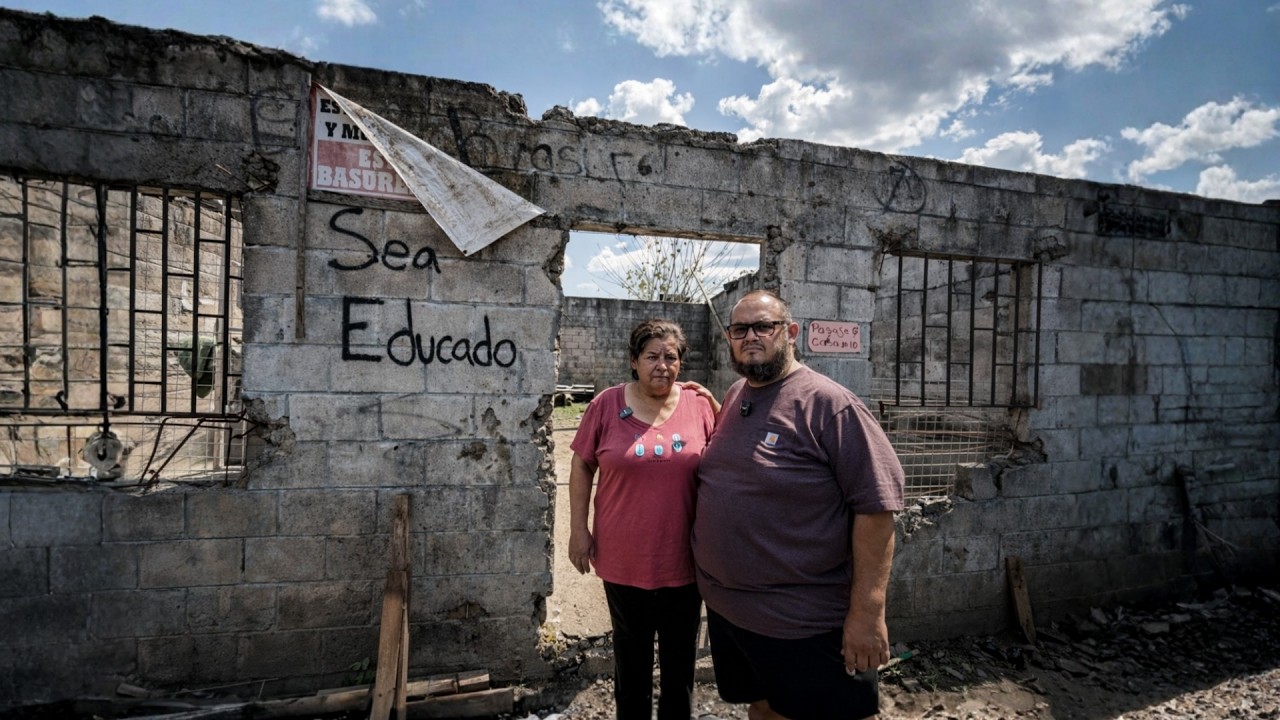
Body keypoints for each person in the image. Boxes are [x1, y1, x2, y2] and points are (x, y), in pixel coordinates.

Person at [692, 290, 906, 720]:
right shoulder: (736, 395)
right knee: (762, 707)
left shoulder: (830, 405)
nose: (750, 336)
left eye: (763, 326)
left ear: (790, 332)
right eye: (739, 329)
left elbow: (877, 509)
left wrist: (867, 614)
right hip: (732, 613)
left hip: (801, 621)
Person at [568, 318, 719, 720]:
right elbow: (582, 464)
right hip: (624, 558)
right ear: (634, 360)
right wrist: (578, 529)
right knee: (631, 660)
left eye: (671, 357)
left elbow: (731, 455)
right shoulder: (605, 405)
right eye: (652, 356)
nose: (662, 366)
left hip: (685, 559)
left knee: (679, 664)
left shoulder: (698, 405)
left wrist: (718, 407)